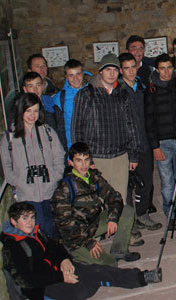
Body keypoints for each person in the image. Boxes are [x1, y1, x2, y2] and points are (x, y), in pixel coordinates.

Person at [1, 202, 160, 300]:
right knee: (83, 289)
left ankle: (141, 277)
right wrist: (61, 276)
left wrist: (64, 260)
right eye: (25, 219)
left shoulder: (35, 233)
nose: (30, 222)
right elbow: (25, 281)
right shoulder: (13, 247)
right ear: (14, 222)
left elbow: (55, 247)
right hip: (44, 286)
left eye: (32, 217)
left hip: (59, 270)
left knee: (97, 270)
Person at [51, 142, 142, 266]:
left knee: (127, 211)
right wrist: (88, 243)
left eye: (86, 160)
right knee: (110, 264)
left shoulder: (94, 177)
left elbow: (114, 197)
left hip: (93, 225)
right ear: (71, 163)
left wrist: (113, 219)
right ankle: (77, 257)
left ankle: (119, 250)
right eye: (79, 160)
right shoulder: (64, 189)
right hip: (75, 239)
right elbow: (65, 226)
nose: (83, 165)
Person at [71, 53, 141, 204]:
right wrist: (84, 160)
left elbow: (131, 125)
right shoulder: (86, 95)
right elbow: (77, 128)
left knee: (119, 200)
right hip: (96, 157)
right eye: (107, 69)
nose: (111, 73)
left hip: (120, 157)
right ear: (100, 71)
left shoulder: (123, 94)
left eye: (115, 70)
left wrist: (133, 154)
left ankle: (120, 228)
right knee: (98, 202)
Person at [0, 93, 65, 239]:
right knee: (34, 231)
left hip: (49, 191)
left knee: (51, 228)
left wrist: (56, 176)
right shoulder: (10, 137)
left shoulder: (47, 132)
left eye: (35, 111)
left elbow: (59, 155)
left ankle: (54, 257)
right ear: (21, 111)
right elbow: (6, 164)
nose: (32, 115)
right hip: (26, 194)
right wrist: (17, 181)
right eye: (28, 111)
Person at [145, 53, 176, 230]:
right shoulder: (150, 90)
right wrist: (155, 146)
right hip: (162, 142)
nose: (166, 72)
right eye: (162, 68)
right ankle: (170, 214)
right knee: (167, 182)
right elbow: (149, 120)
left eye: (169, 67)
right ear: (157, 70)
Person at [118, 53, 161, 231]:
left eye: (133, 67)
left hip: (143, 143)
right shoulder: (117, 92)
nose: (130, 71)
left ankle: (142, 214)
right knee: (127, 186)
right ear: (121, 70)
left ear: (137, 67)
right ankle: (129, 220)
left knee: (146, 182)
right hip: (126, 147)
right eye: (126, 68)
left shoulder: (143, 88)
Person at [51, 59, 92, 150]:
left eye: (78, 74)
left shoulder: (93, 93)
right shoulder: (60, 98)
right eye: (71, 75)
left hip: (94, 145)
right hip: (73, 146)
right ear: (66, 76)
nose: (75, 78)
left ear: (83, 73)